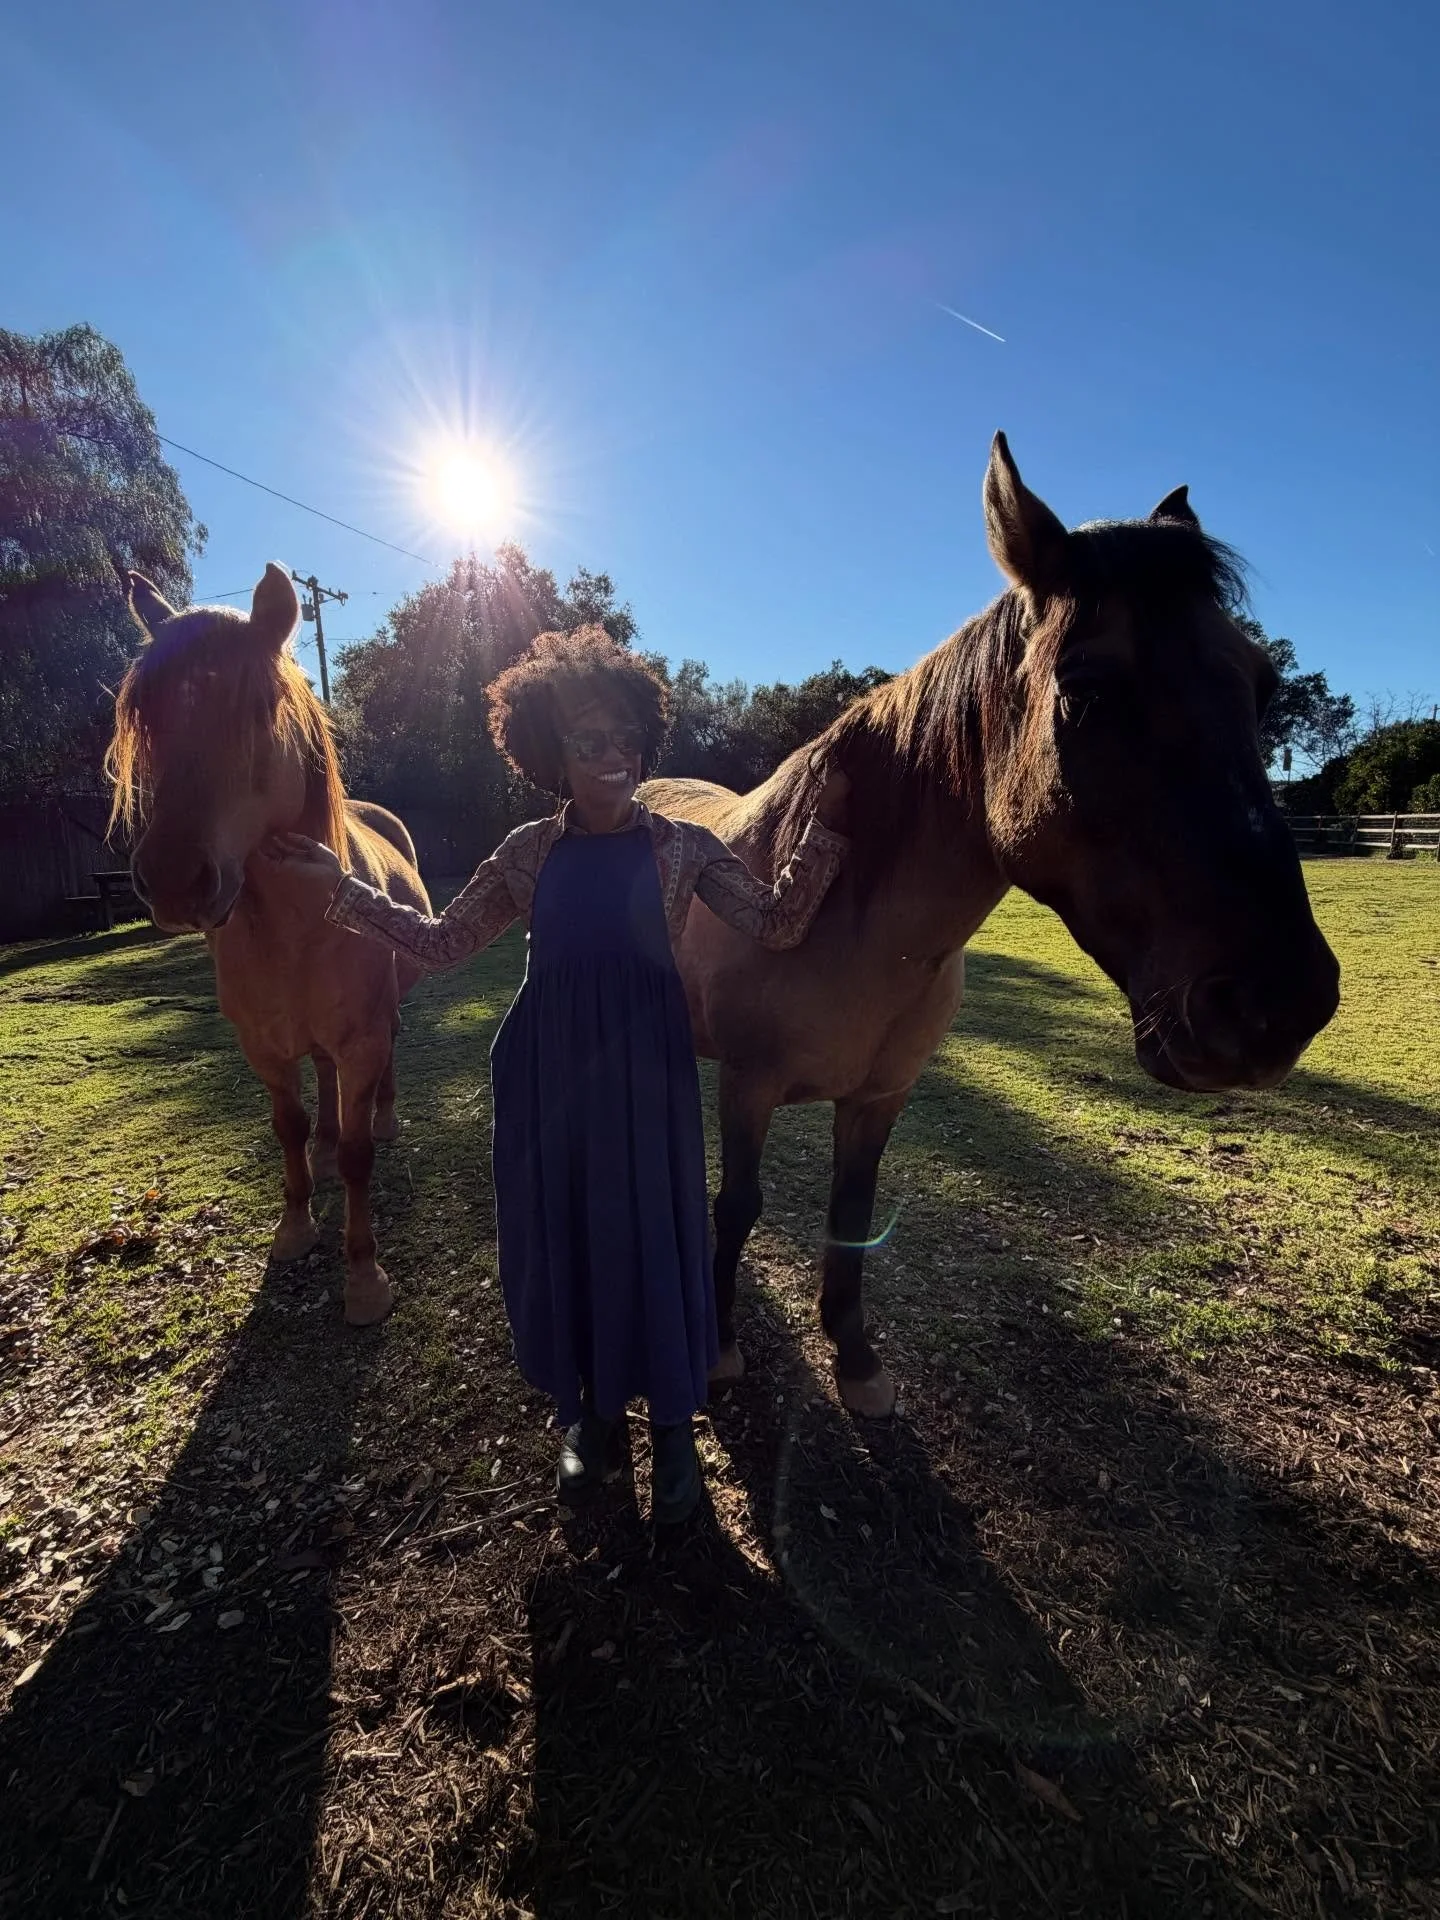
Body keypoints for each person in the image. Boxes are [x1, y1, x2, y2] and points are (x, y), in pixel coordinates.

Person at [263, 625, 849, 1527]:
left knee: (657, 1238)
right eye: (588, 741)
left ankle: (674, 1434)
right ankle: (588, 1423)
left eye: (626, 740)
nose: (613, 758)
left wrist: (823, 838)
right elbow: (443, 943)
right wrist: (340, 888)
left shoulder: (685, 848)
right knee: (571, 1240)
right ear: (550, 753)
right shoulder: (528, 853)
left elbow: (775, 924)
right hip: (550, 1077)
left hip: (648, 1080)